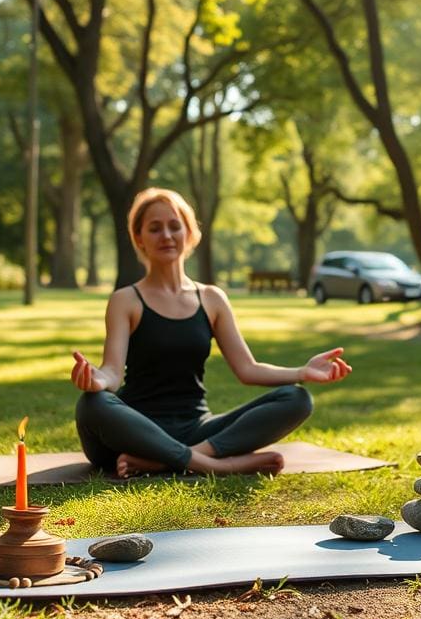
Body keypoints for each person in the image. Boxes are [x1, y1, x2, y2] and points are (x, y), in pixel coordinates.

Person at [71, 187, 352, 478]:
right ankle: (219, 465)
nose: (166, 235)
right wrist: (96, 378)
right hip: (134, 430)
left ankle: (171, 460)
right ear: (139, 238)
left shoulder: (212, 299)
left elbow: (248, 369)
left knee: (297, 399)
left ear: (189, 233)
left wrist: (302, 372)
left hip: (197, 429)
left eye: (174, 226)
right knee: (94, 404)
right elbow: (112, 374)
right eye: (154, 229)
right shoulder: (126, 300)